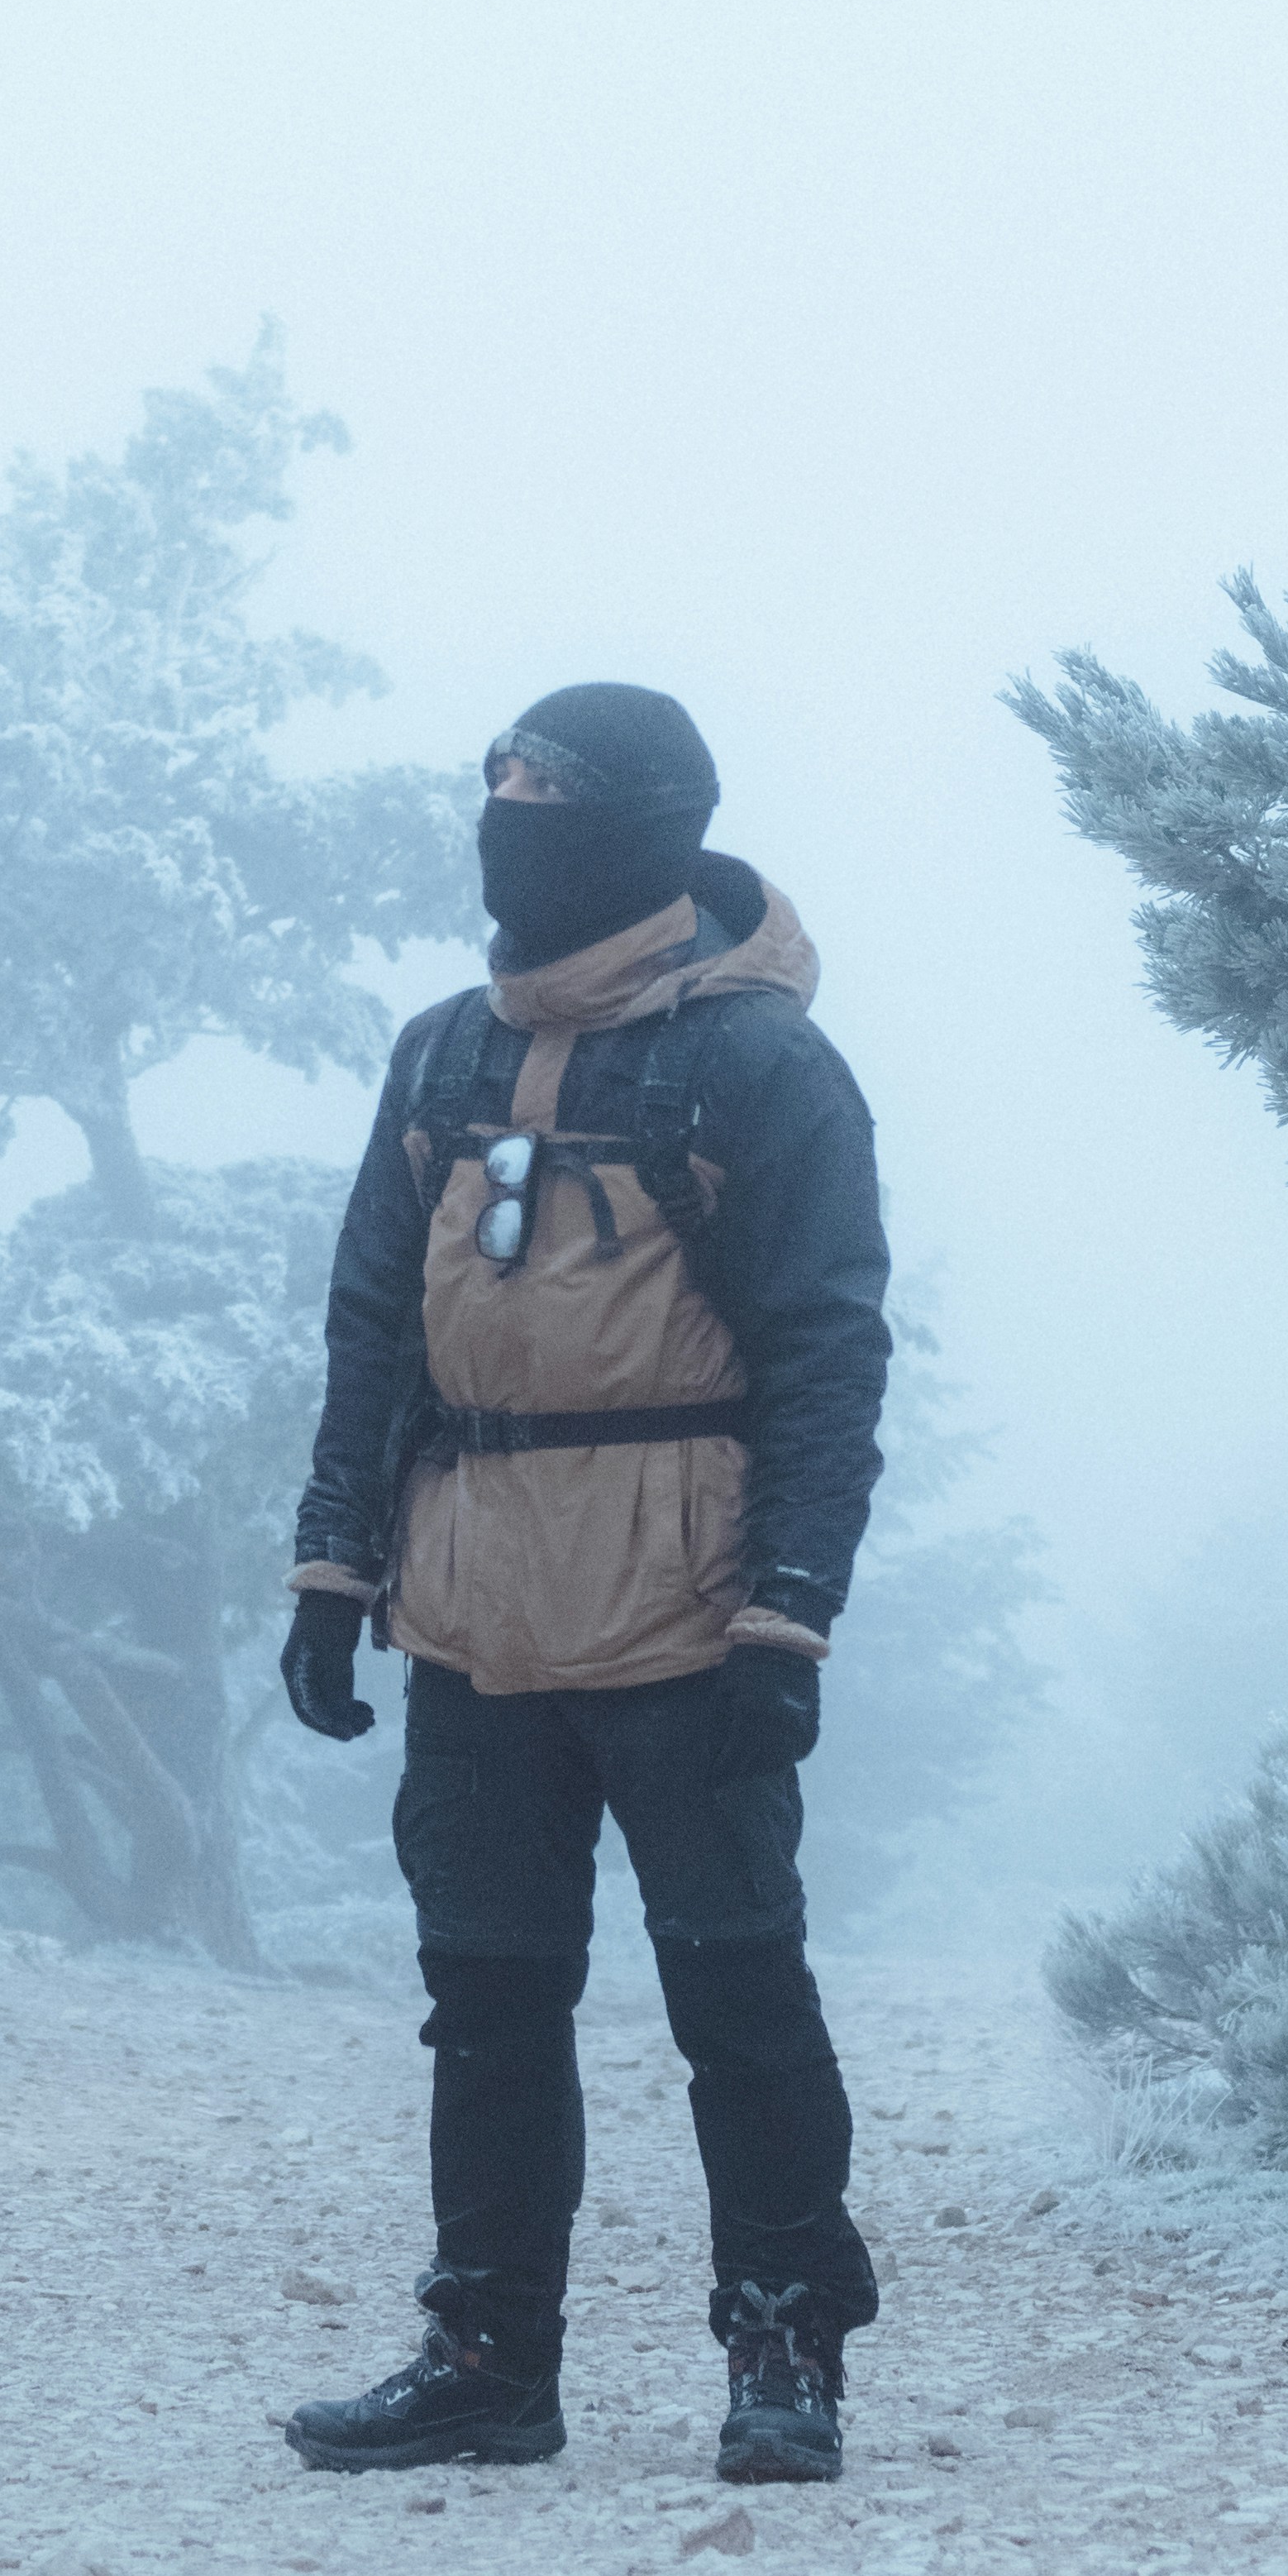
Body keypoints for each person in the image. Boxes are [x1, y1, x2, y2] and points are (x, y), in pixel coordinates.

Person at [275, 682, 892, 2483]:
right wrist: (334, 1566)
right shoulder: (442, 1053)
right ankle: (488, 2358)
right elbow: (376, 1326)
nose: (507, 808)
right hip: (471, 1607)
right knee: (488, 1996)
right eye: (495, 778)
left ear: (640, 819)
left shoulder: (758, 1064)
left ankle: (784, 2351)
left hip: (689, 1610)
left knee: (737, 1995)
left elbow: (826, 1352)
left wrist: (791, 1608)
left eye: (546, 785)